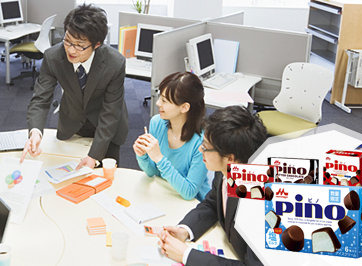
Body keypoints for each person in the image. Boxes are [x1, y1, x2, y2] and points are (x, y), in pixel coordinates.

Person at [21, 4, 128, 168]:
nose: (71, 50)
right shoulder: (53, 57)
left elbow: (110, 113)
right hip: (73, 123)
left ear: (97, 44)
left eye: (79, 45)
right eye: (67, 41)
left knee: (105, 180)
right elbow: (40, 100)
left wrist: (94, 156)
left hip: (107, 127)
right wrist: (35, 132)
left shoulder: (115, 63)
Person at [157, 106, 267, 266]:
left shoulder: (261, 200)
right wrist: (185, 230)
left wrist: (186, 255)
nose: (201, 149)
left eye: (206, 147)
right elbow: (212, 203)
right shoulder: (225, 170)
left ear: (230, 158)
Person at [134, 72, 209, 201]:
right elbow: (152, 172)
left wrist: (159, 158)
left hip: (192, 203)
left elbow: (189, 192)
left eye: (164, 100)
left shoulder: (202, 142)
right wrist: (143, 156)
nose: (158, 103)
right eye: (159, 97)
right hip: (165, 193)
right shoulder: (157, 122)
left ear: (184, 107)